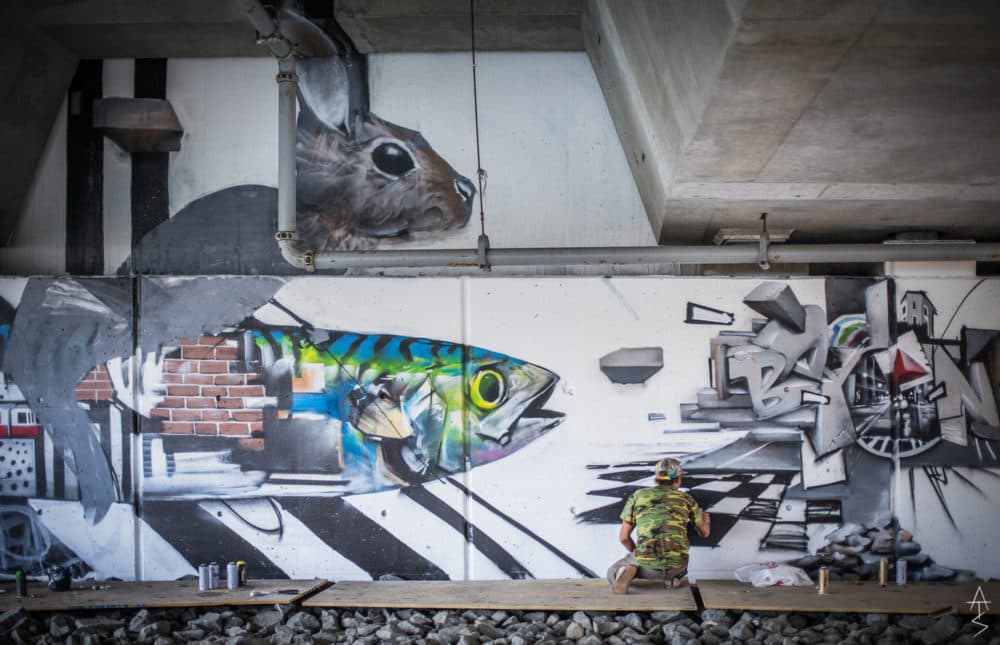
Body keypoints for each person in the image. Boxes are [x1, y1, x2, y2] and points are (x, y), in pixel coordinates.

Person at [607, 457, 710, 593]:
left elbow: (624, 538)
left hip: (645, 567)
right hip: (676, 566)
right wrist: (705, 520)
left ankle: (625, 571)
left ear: (657, 478)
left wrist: (638, 554)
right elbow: (704, 533)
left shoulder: (638, 496)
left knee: (612, 571)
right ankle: (672, 580)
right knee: (681, 554)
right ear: (678, 479)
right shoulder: (687, 499)